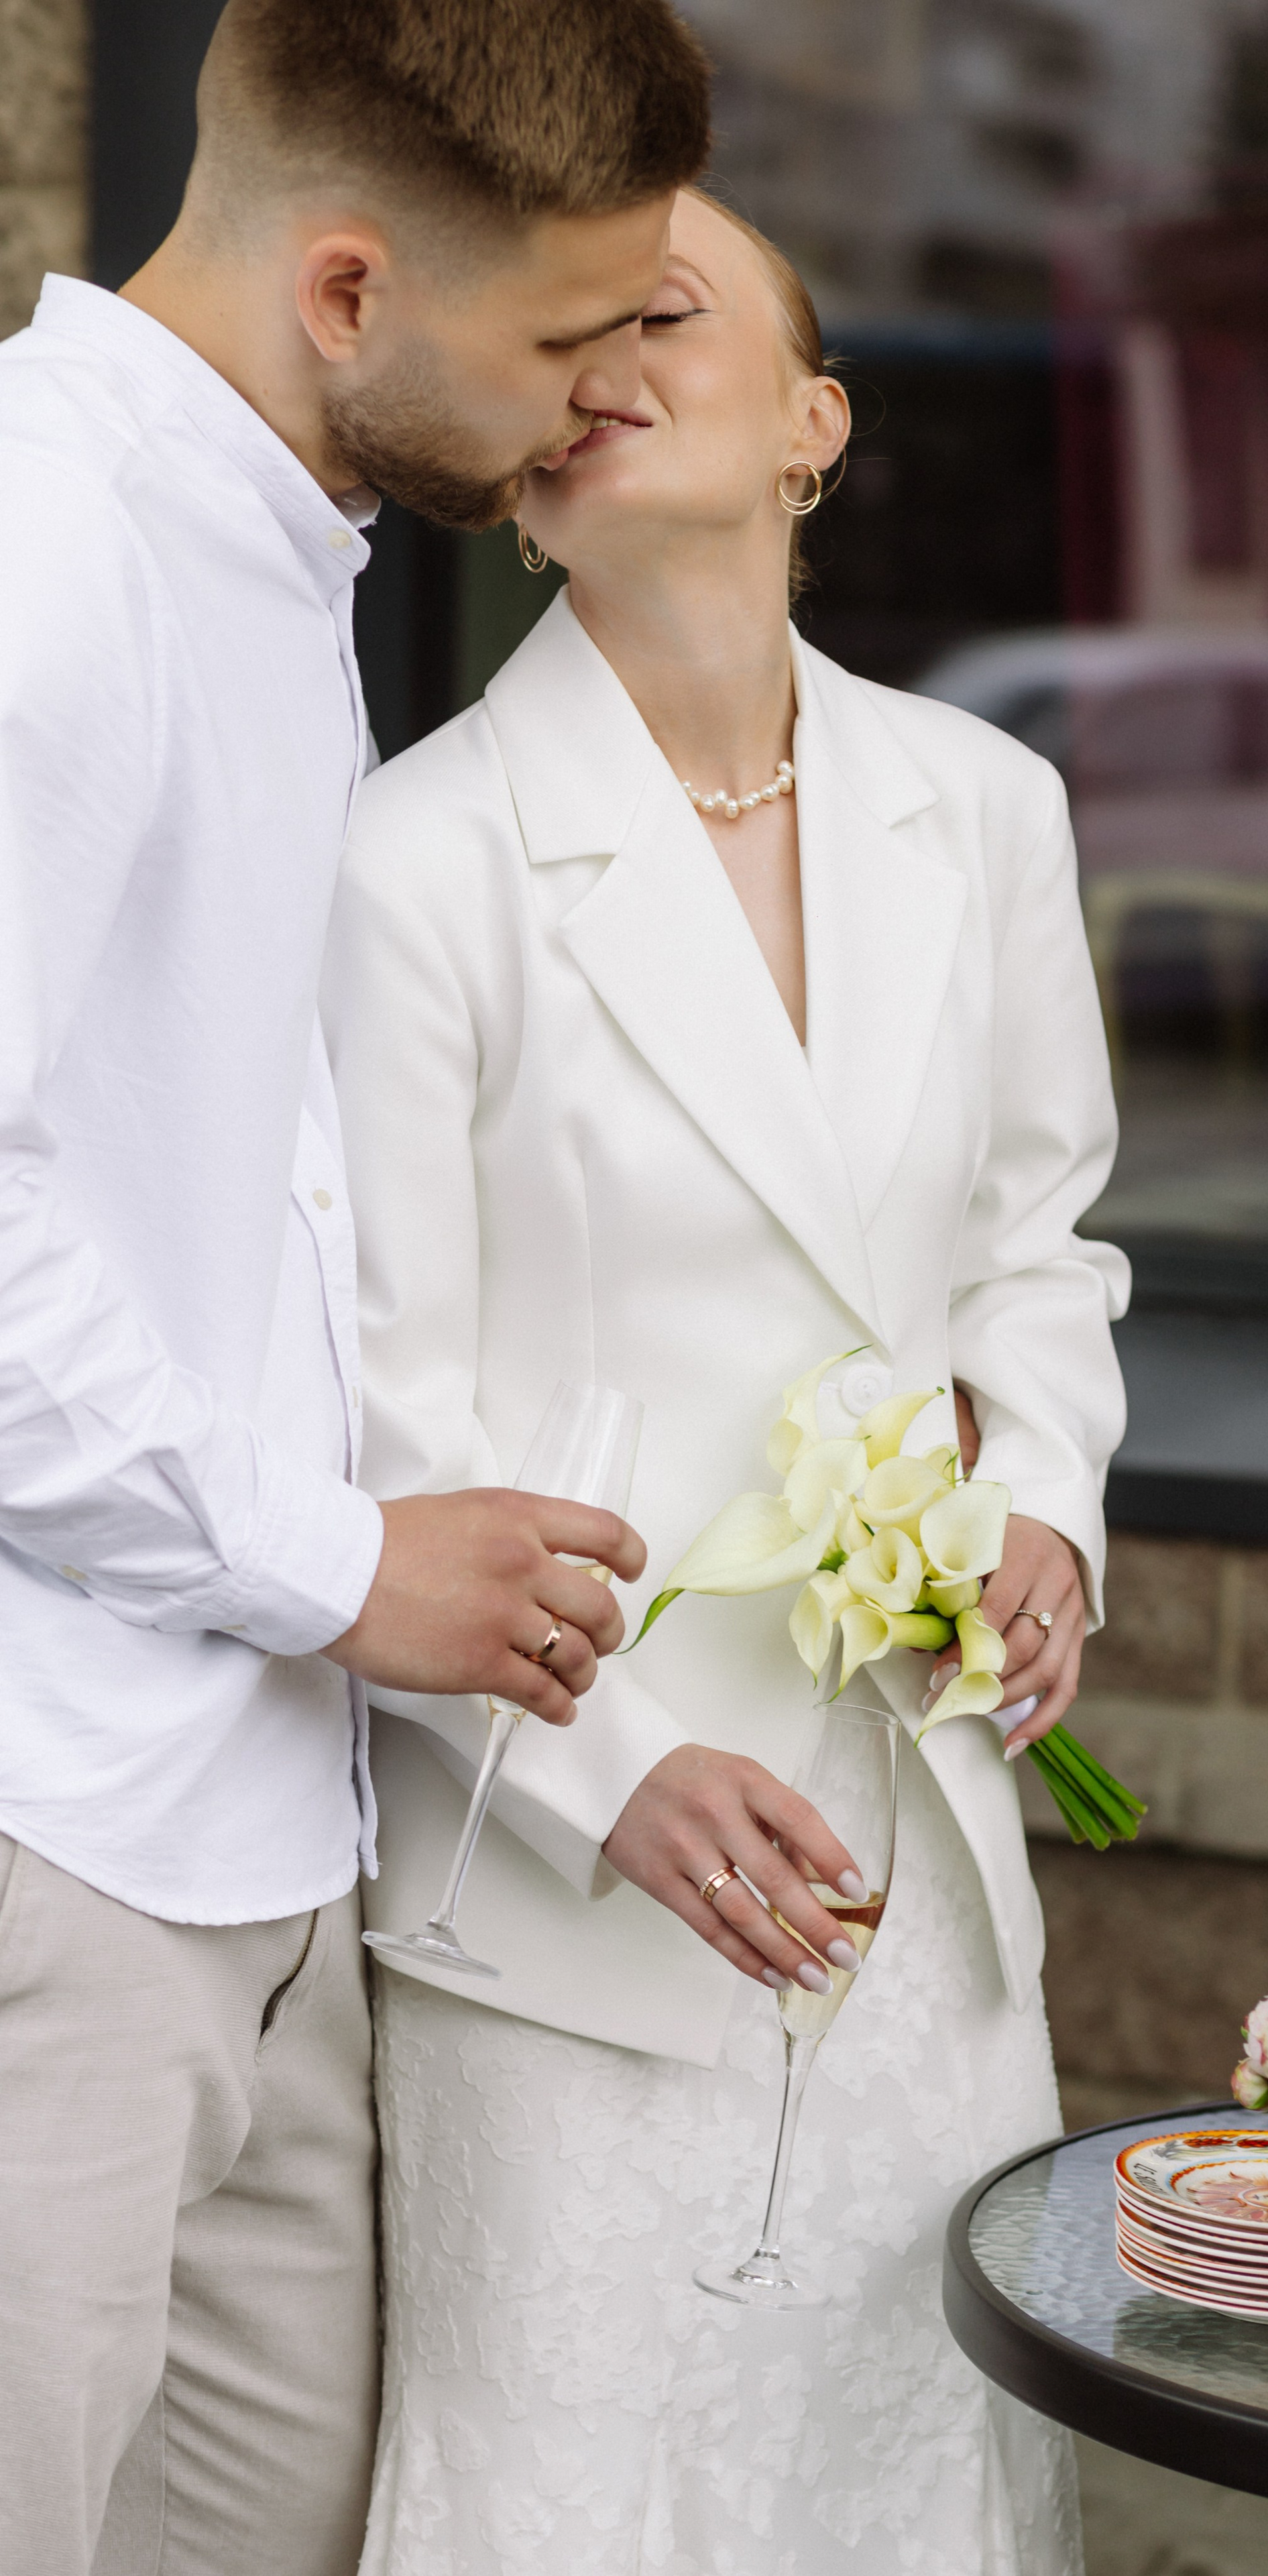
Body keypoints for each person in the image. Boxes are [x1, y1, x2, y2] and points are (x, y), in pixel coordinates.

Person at [325, 186, 1130, 2573]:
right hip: (576, 1907)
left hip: (914, 1872)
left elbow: (1036, 1251)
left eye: (663, 312)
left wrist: (1049, 1508)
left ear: (816, 425)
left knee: (908, 2488)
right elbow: (383, 1423)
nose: (602, 354)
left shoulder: (986, 811)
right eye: (565, 322)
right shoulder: (421, 856)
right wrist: (604, 1767)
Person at [0, 5, 714, 2570]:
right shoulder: (48, 549)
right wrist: (346, 1566)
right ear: (342, 284)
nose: (603, 400)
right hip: (52, 1849)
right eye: (564, 340)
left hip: (258, 1857)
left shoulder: (275, 552)